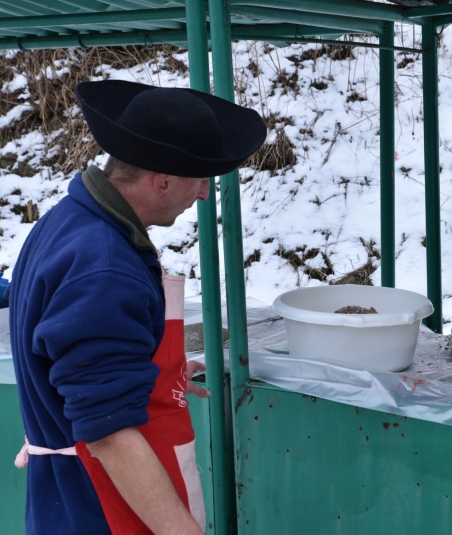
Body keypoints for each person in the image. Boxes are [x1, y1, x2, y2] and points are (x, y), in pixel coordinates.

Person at [9, 80, 266, 534]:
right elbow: (108, 431)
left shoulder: (66, 221)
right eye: (199, 180)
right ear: (162, 181)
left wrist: (156, 372)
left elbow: (72, 347)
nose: (204, 195)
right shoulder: (104, 268)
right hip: (98, 507)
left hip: (61, 502)